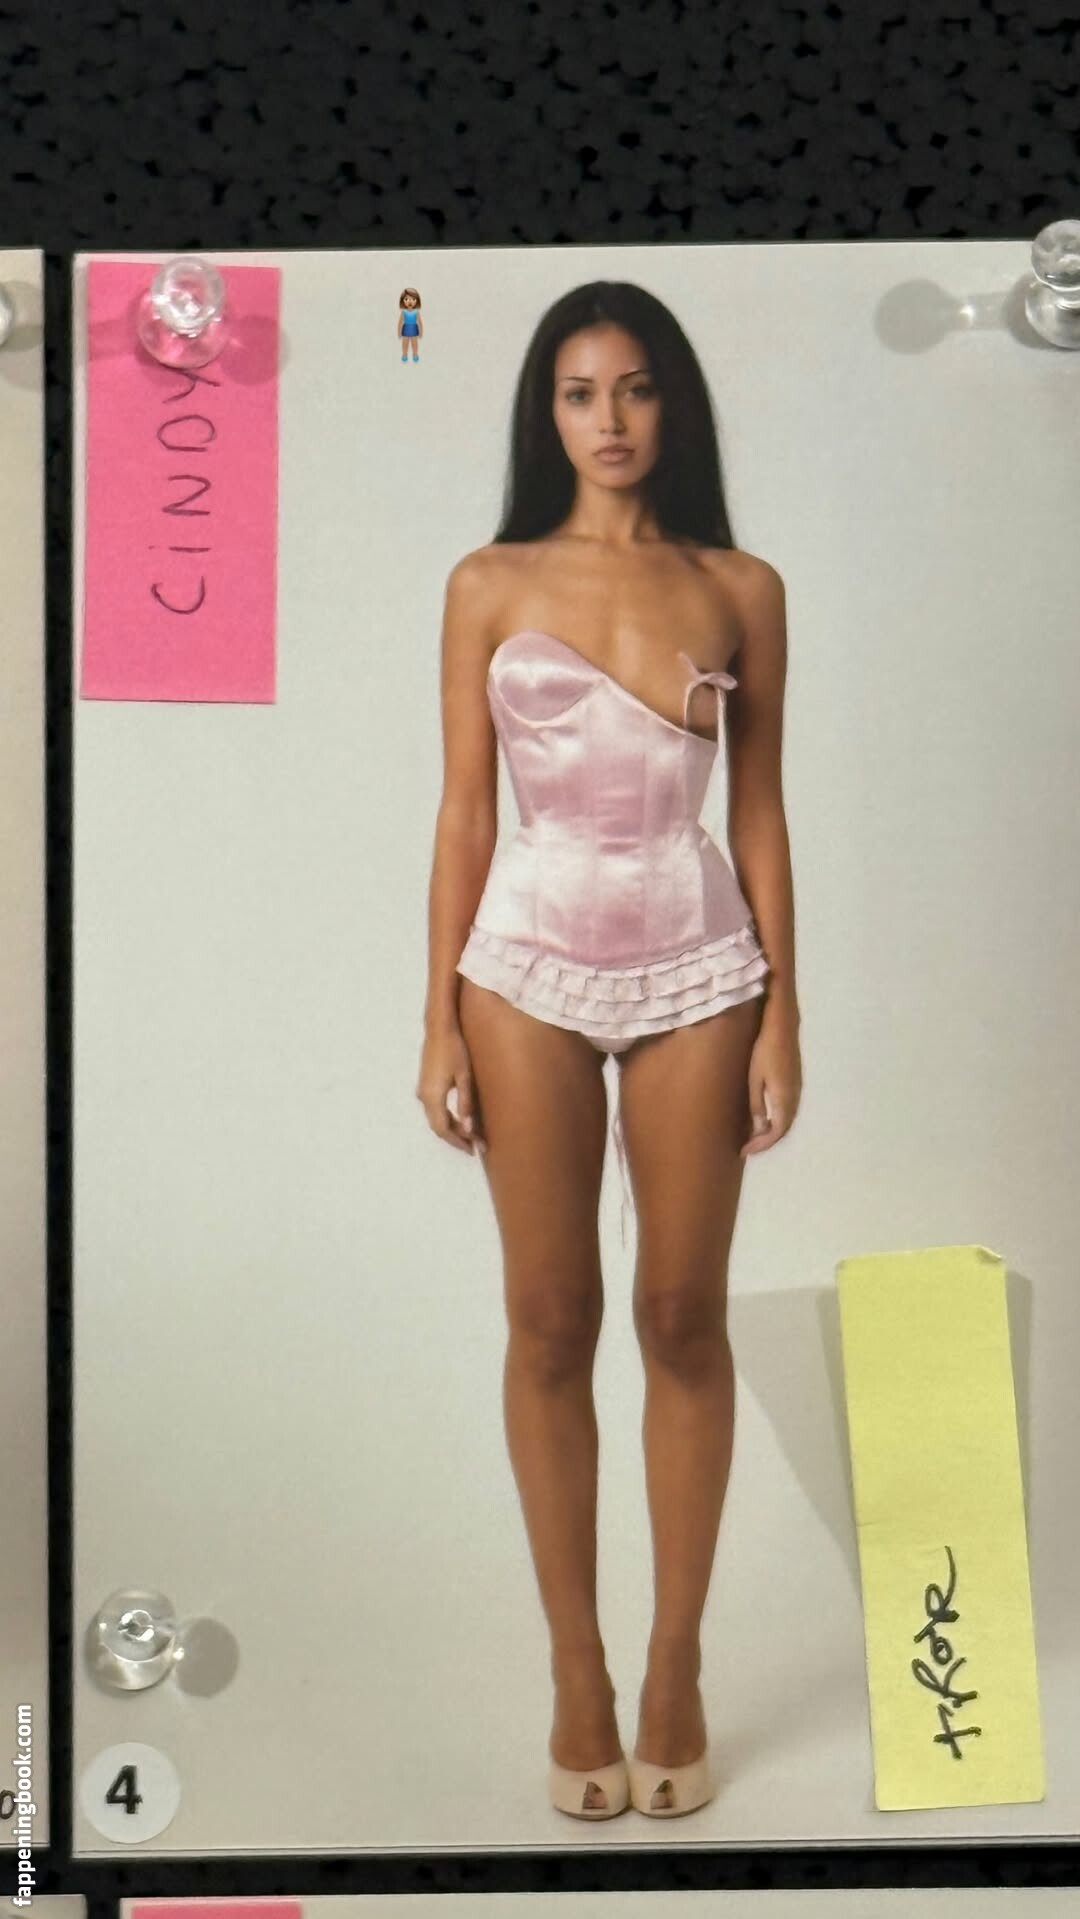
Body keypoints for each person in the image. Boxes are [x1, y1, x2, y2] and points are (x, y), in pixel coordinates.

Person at [417, 280, 802, 1820]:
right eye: (579, 394)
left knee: (681, 1311)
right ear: (548, 415)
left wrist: (785, 1009)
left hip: (699, 959)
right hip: (522, 962)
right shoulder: (488, 581)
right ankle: (576, 1668)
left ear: (672, 403)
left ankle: (674, 1665)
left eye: (635, 388)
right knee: (551, 1314)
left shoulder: (742, 585)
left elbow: (759, 809)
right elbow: (465, 808)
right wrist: (435, 1014)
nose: (611, 419)